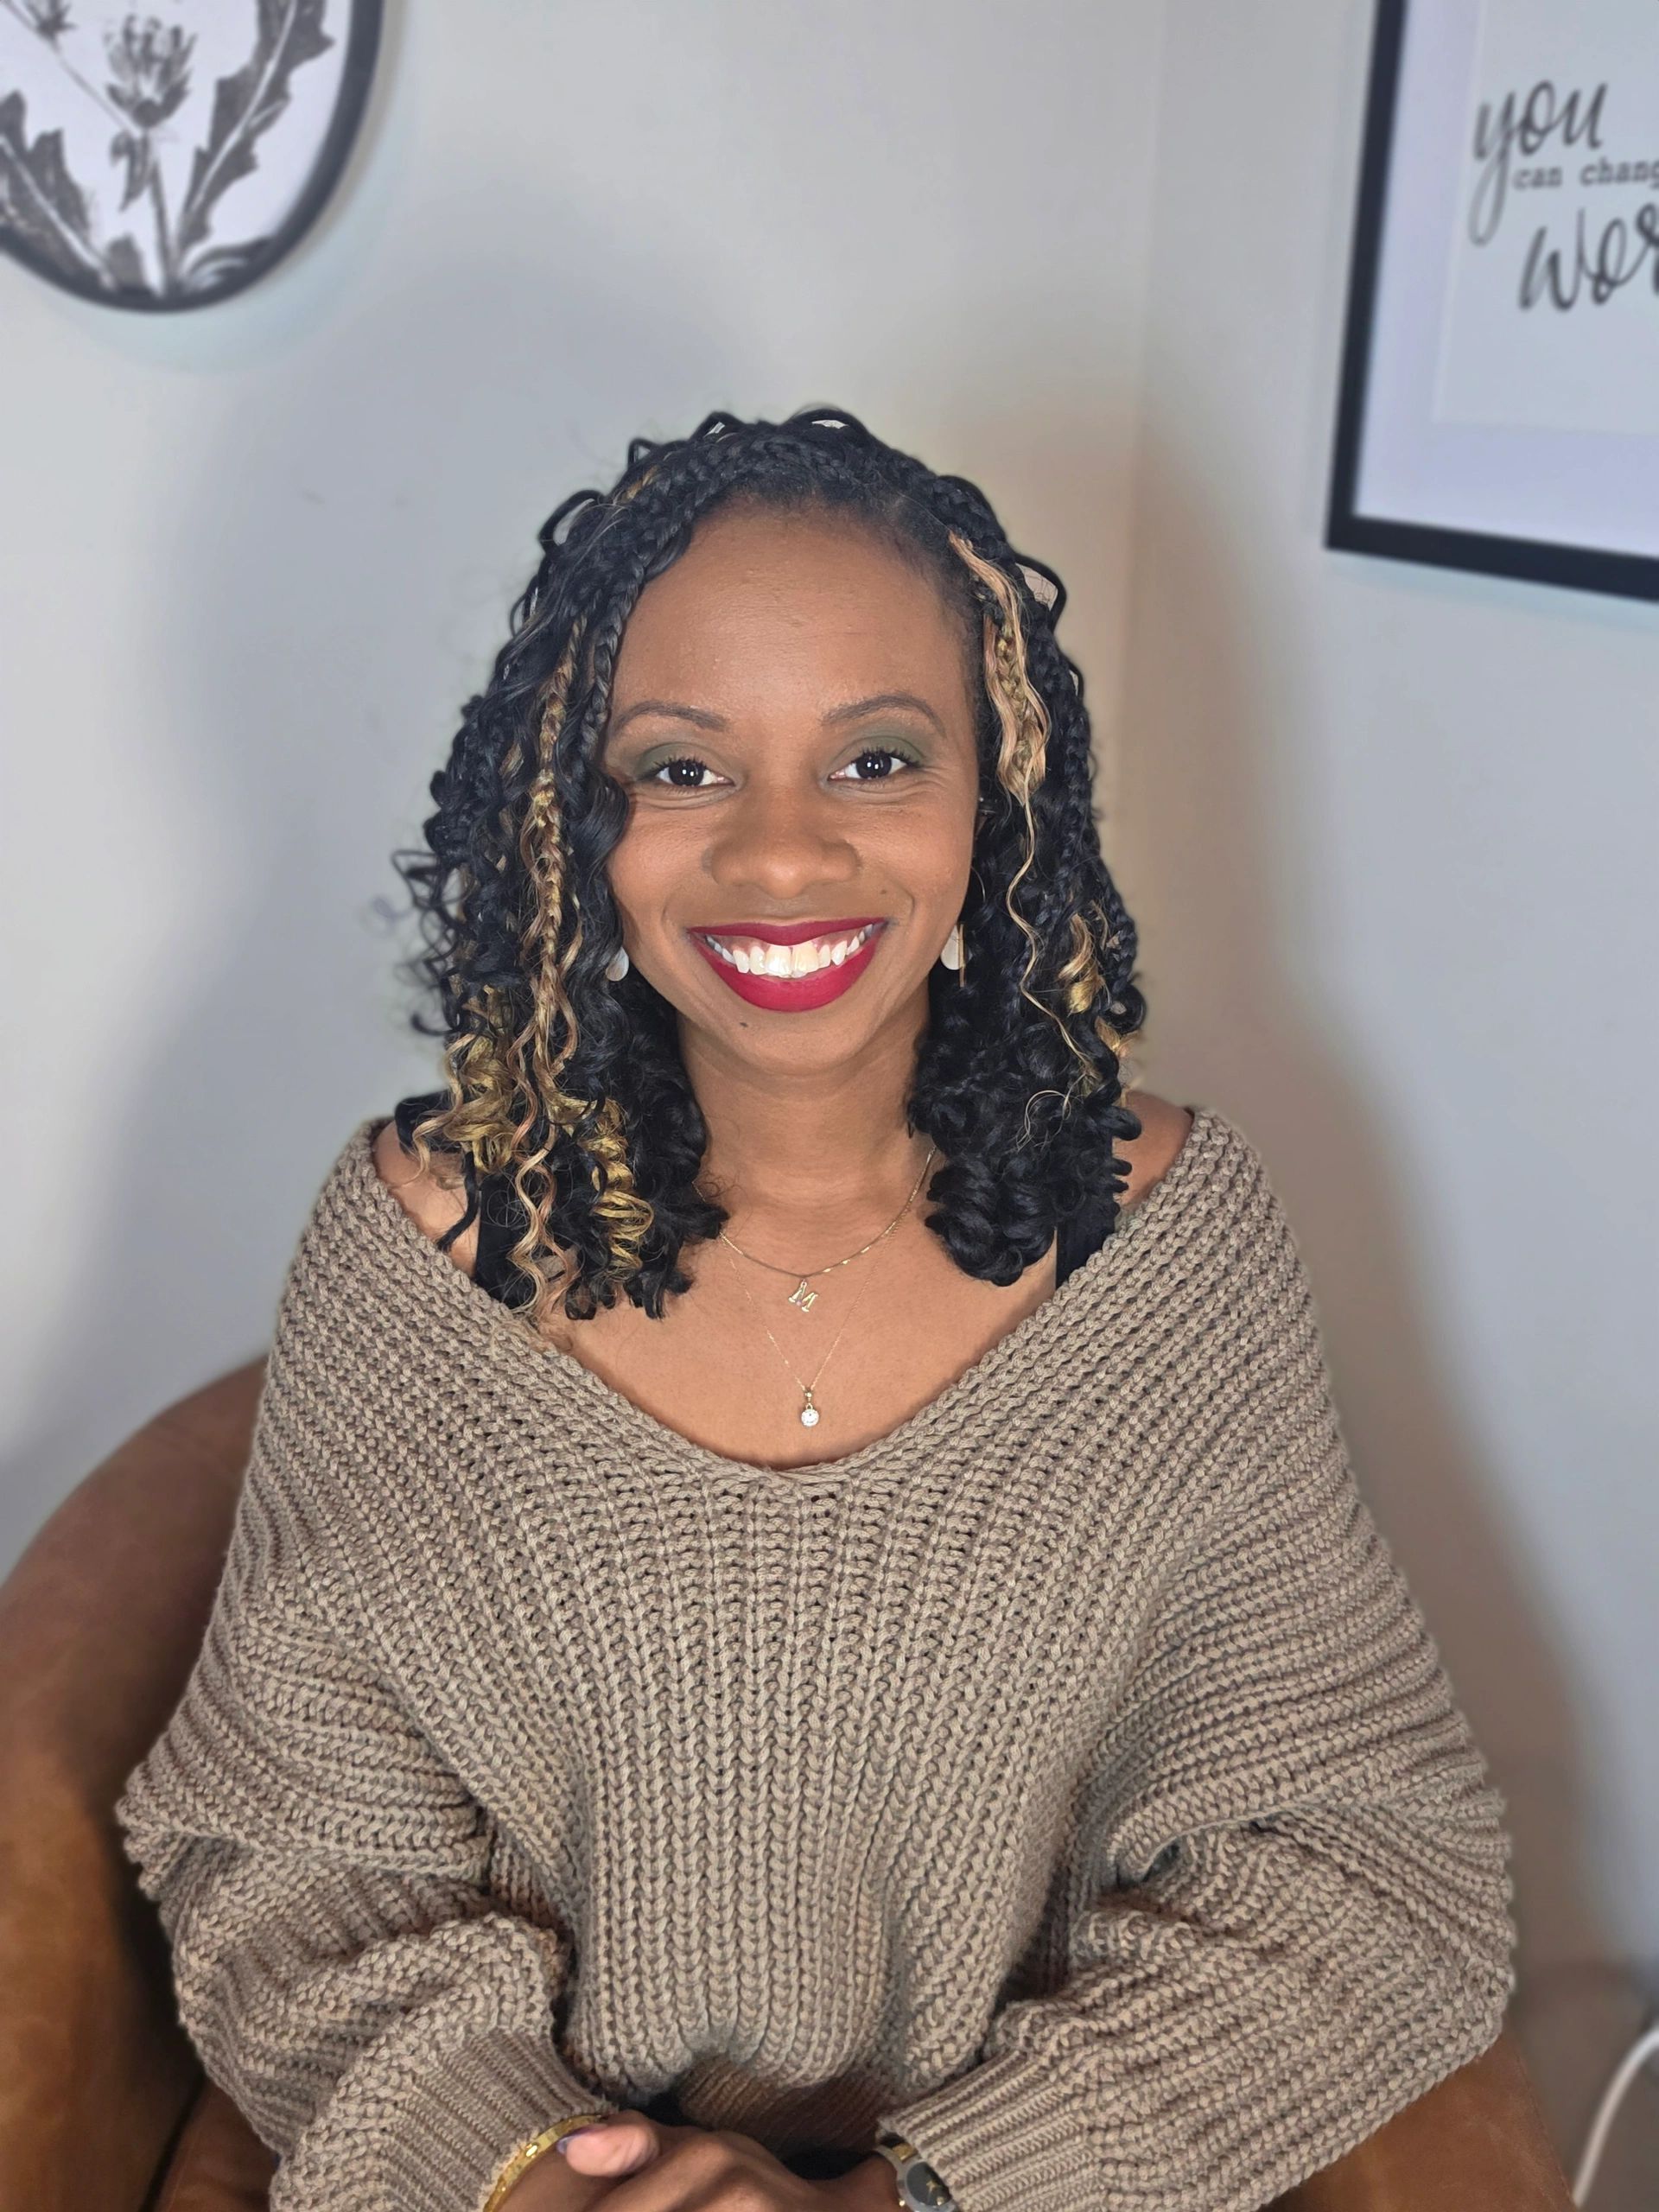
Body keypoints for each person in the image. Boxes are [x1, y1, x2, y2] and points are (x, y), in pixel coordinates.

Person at [114, 408, 1516, 2212]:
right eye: (684, 768)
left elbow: (1374, 1856)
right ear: (575, 818)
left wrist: (929, 2190)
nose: (782, 856)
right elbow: (283, 1855)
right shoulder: (420, 1248)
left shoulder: (1168, 1242)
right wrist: (532, 2164)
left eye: (874, 759)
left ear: (994, 789)